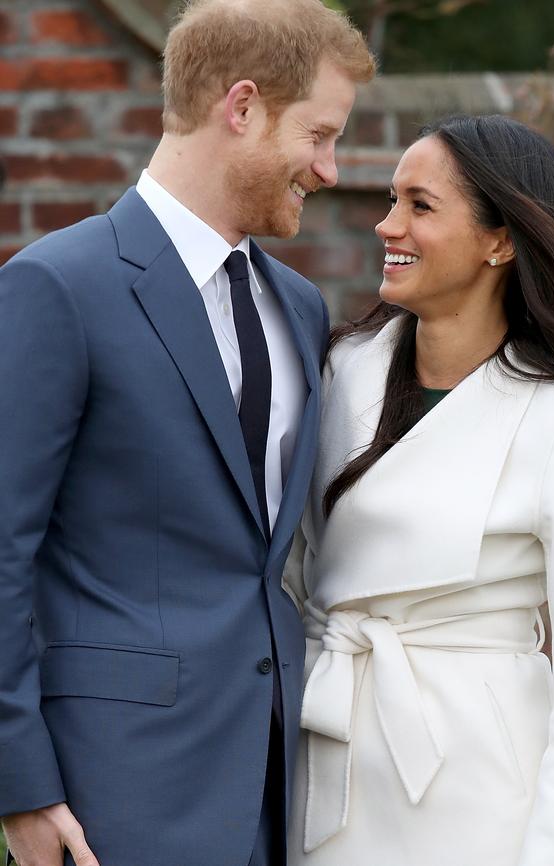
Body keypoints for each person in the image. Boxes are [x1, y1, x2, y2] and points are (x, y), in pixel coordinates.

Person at [0, 1, 374, 864]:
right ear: (240, 108)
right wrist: (22, 788)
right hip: (108, 797)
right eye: (319, 135)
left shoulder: (301, 305)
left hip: (275, 791)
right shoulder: (57, 286)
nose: (329, 168)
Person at [284, 114, 554, 866]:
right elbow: (289, 573)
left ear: (501, 240)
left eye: (421, 205)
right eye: (393, 200)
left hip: (480, 798)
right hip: (325, 763)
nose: (388, 224)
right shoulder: (338, 370)